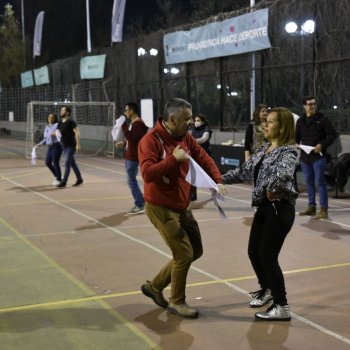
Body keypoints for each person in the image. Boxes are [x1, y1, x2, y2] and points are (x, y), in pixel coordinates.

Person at [138, 98, 226, 319]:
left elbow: (203, 157)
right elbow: (147, 174)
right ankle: (177, 302)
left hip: (182, 205)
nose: (190, 123)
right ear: (172, 119)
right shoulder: (151, 140)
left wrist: (218, 179)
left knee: (196, 250)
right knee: (184, 253)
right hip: (160, 207)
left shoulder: (185, 137)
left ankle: (154, 287)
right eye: (187, 119)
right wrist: (172, 160)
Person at [222, 107, 298, 321]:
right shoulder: (265, 148)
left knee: (267, 256)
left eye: (271, 122)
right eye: (266, 121)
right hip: (264, 208)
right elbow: (243, 171)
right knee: (254, 252)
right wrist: (218, 179)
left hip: (280, 210)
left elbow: (283, 174)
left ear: (282, 128)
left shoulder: (288, 151)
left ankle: (282, 306)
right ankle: (267, 289)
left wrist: (272, 188)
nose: (265, 124)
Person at [295, 96, 337, 219]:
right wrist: (296, 144)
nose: (312, 106)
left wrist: (322, 145)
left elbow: (332, 134)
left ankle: (324, 210)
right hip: (305, 158)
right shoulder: (300, 121)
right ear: (304, 106)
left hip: (319, 157)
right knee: (308, 182)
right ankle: (311, 207)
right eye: (309, 104)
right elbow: (296, 138)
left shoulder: (323, 119)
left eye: (313, 104)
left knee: (320, 182)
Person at [116, 102, 148, 214]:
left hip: (133, 157)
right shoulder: (134, 123)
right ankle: (141, 202)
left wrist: (123, 124)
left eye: (126, 110)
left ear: (132, 111)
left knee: (131, 181)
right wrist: (124, 144)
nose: (125, 113)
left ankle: (140, 204)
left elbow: (131, 137)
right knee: (131, 180)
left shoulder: (138, 124)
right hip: (131, 155)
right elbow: (133, 140)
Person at [56, 106, 83, 188]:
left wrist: (78, 144)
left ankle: (64, 181)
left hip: (71, 145)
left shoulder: (71, 121)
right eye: (61, 110)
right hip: (64, 145)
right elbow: (58, 132)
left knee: (67, 163)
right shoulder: (60, 122)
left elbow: (77, 133)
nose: (61, 112)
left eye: (63, 110)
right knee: (72, 163)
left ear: (67, 112)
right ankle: (79, 178)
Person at [35, 113, 63, 185]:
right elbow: (45, 138)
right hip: (50, 147)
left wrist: (56, 133)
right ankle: (58, 176)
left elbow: (60, 133)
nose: (50, 118)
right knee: (47, 162)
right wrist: (40, 144)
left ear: (55, 118)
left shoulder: (57, 125)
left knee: (55, 163)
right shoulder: (47, 127)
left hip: (57, 146)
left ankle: (59, 179)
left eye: (52, 117)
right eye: (49, 117)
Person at [190, 114, 213, 201]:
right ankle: (193, 195)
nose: (196, 122)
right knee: (192, 175)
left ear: (203, 121)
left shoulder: (207, 130)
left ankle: (216, 190)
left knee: (209, 176)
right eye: (195, 120)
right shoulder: (193, 129)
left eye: (198, 120)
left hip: (204, 155)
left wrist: (192, 141)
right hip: (195, 155)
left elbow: (204, 139)